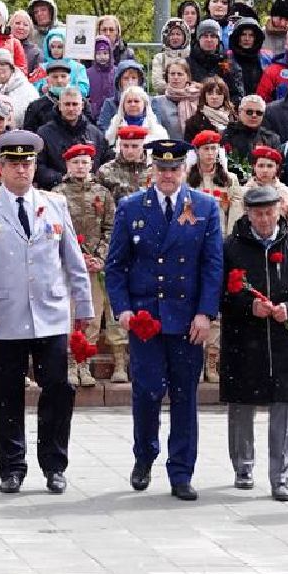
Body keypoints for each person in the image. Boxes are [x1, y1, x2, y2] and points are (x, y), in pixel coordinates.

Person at [0, 131, 91, 493]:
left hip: (49, 313)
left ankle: (54, 464)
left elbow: (72, 260)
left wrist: (84, 306)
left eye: (27, 162)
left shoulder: (55, 203)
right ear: (0, 168)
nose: (22, 169)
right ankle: (11, 466)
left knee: (58, 390)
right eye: (14, 163)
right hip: (3, 315)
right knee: (5, 395)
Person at [104, 138, 225, 500]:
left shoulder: (204, 207)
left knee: (185, 396)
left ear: (184, 170)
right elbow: (115, 266)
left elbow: (212, 265)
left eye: (174, 169)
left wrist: (205, 313)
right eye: (161, 168)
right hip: (147, 319)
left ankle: (181, 471)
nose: (168, 175)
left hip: (187, 318)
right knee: (147, 391)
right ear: (151, 170)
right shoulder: (131, 207)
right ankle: (144, 456)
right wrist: (123, 309)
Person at [221, 183, 288, 500]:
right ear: (247, 214)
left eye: (269, 212)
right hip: (243, 338)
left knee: (284, 406)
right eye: (258, 214)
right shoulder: (230, 248)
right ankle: (243, 467)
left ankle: (281, 477)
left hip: (283, 341)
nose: (264, 220)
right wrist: (245, 306)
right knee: (241, 405)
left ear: (279, 211)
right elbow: (219, 294)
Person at [54, 144, 118, 386]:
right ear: (67, 166)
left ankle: (84, 364)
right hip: (68, 267)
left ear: (92, 165)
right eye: (75, 163)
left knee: (92, 315)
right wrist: (74, 257)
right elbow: (54, 229)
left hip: (94, 266)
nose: (80, 167)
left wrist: (99, 257)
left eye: (84, 162)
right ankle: (70, 364)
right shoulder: (57, 194)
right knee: (70, 315)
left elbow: (110, 227)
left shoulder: (102, 194)